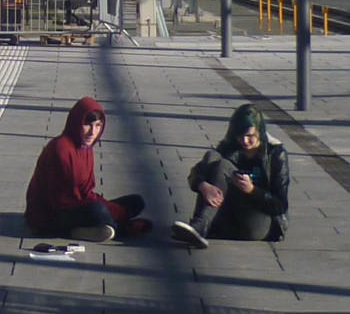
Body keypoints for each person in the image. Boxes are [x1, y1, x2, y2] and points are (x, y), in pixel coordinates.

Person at [25, 96, 150, 243]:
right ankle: (119, 228)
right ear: (77, 123)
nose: (92, 132)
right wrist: (116, 212)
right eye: (88, 125)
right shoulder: (60, 150)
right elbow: (62, 202)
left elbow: (87, 192)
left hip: (78, 205)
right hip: (50, 216)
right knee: (97, 210)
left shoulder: (85, 147)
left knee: (136, 201)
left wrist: (115, 209)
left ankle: (100, 228)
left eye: (98, 125)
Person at [171, 103, 289, 249]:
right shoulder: (230, 146)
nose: (245, 141)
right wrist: (202, 185)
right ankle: (201, 225)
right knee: (211, 157)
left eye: (250, 136)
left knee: (223, 166)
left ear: (260, 131)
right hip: (231, 218)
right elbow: (195, 172)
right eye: (241, 136)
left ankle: (201, 225)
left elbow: (280, 205)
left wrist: (252, 190)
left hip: (259, 223)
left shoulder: (276, 154)